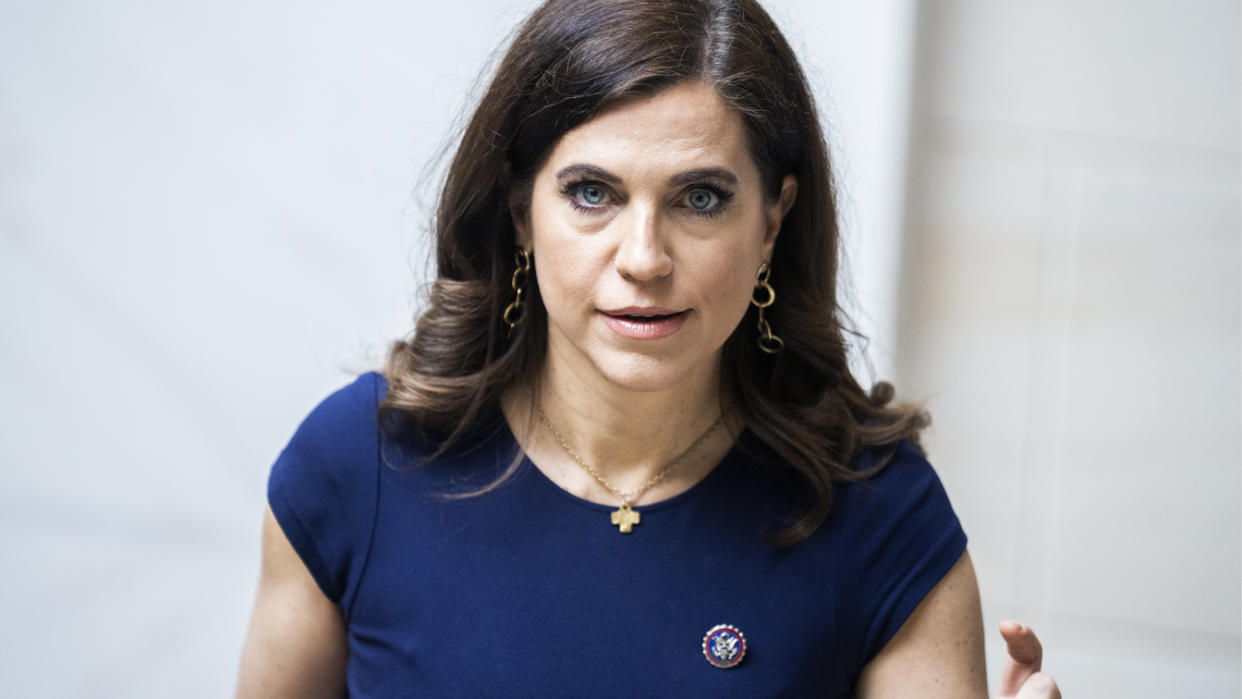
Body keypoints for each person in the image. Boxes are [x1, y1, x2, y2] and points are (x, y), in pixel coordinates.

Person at [236, 1, 1062, 697]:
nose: (643, 257)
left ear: (771, 223)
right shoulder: (359, 469)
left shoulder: (882, 519)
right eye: (592, 193)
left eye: (699, 198)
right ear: (521, 212)